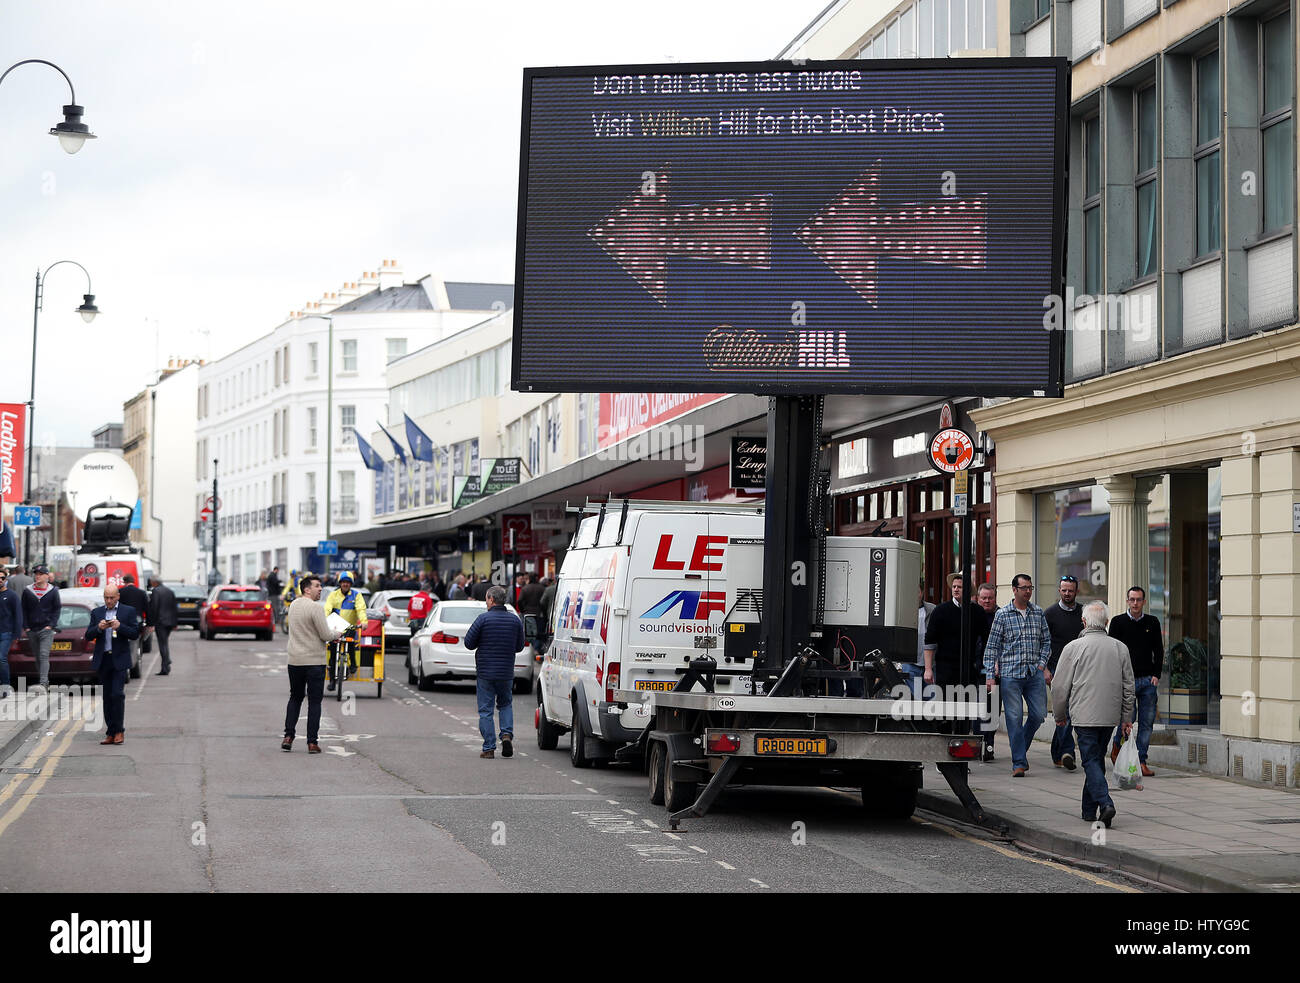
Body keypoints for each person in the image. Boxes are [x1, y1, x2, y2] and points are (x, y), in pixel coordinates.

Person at [1052, 601, 1135, 828]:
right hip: (1109, 716)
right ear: (1106, 623)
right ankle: (1089, 811)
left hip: (1083, 714)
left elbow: (1059, 687)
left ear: (1084, 622)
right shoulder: (1120, 648)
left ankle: (1105, 803)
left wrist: (1059, 715)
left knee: (1090, 760)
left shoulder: (1073, 648)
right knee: (1096, 759)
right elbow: (1129, 687)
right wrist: (1127, 718)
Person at [982, 573, 1051, 777]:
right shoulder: (1002, 614)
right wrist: (989, 675)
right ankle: (1018, 762)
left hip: (1033, 673)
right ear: (1014, 590)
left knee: (1039, 715)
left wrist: (1041, 665)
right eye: (1024, 588)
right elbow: (992, 646)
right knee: (1014, 717)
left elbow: (1046, 641)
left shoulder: (1037, 612)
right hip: (1010, 674)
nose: (1028, 591)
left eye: (1030, 587)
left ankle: (1019, 748)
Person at [283, 575, 344, 753]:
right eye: (317, 586)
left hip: (294, 660)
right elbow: (325, 635)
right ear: (307, 589)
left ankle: (288, 736)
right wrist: (337, 633)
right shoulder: (316, 608)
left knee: (295, 697)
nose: (320, 589)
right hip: (314, 662)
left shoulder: (293, 605)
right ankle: (312, 742)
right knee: (315, 702)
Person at [463, 585, 525, 759]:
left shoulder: (483, 619)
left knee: (486, 710)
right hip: (506, 671)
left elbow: (469, 643)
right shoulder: (515, 621)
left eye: (486, 599)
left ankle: (489, 748)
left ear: (491, 599)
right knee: (505, 704)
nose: (486, 602)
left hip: (485, 672)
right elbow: (519, 646)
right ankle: (506, 735)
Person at [1108, 586, 1163, 778]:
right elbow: (1112, 651)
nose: (1135, 603)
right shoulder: (1117, 622)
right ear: (1127, 601)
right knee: (1127, 721)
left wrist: (1157, 675)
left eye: (1139, 600)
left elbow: (1159, 650)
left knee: (1147, 723)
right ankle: (1118, 747)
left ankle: (1141, 760)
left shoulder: (1153, 622)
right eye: (1132, 599)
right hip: (1127, 681)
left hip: (1148, 680)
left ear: (1144, 602)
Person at [85, 584, 139, 745]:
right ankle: (110, 732)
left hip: (119, 660)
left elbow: (135, 634)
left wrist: (120, 626)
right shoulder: (97, 612)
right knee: (107, 697)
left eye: (111, 598)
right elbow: (88, 635)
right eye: (106, 598)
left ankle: (119, 731)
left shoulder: (128, 611)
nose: (108, 601)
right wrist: (98, 628)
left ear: (118, 597)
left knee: (117, 695)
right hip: (103, 660)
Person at [1044, 575, 1084, 771]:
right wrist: (1044, 669)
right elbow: (1042, 643)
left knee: (1067, 711)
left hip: (1078, 670)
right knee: (1065, 710)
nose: (1067, 593)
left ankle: (1057, 753)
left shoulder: (1084, 613)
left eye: (1071, 590)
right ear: (1059, 590)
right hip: (1056, 669)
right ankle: (1068, 751)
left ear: (1076, 591)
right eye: (1064, 590)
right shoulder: (1050, 614)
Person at [922, 573, 987, 690]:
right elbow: (929, 641)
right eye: (954, 586)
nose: (956, 589)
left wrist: (983, 665)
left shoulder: (978, 611)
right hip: (944, 669)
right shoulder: (940, 610)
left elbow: (986, 640)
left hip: (969, 669)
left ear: (967, 590)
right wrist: (928, 669)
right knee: (946, 705)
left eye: (960, 587)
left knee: (967, 705)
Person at [322, 574, 367, 690]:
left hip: (350, 628)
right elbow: (327, 608)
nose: (345, 584)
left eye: (348, 582)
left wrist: (363, 621)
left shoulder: (357, 595)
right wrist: (325, 620)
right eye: (343, 582)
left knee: (351, 644)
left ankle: (353, 664)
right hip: (335, 627)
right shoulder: (333, 595)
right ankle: (332, 681)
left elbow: (361, 609)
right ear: (340, 583)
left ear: (351, 584)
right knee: (332, 654)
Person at [21, 564, 61, 688]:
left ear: (46, 576)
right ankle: (43, 680)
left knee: (44, 655)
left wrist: (51, 625)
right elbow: (23, 609)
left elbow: (57, 609)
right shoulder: (28, 591)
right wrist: (26, 627)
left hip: (46, 629)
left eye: (40, 574)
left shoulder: (53, 591)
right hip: (32, 629)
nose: (37, 576)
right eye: (36, 574)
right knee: (37, 656)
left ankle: (43, 683)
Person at [974, 582, 999, 761]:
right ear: (978, 598)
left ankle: (989, 745)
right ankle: (978, 744)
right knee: (978, 710)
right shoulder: (972, 614)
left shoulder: (1001, 615)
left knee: (993, 710)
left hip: (997, 671)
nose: (987, 601)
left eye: (990, 598)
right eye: (984, 598)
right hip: (975, 670)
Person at [119, 575, 150, 677]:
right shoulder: (141, 593)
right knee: (136, 645)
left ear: (124, 582)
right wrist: (150, 624)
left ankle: (125, 667)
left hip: (123, 624)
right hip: (137, 623)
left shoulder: (120, 592)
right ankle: (133, 665)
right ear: (134, 581)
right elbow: (147, 609)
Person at [147, 577, 179, 675]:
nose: (151, 584)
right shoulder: (170, 591)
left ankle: (166, 663)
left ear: (154, 582)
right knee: (164, 643)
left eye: (151, 582)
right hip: (169, 622)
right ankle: (165, 666)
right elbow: (174, 607)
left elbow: (154, 608)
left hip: (161, 622)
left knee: (162, 644)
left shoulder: (156, 591)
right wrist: (175, 623)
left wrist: (151, 623)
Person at [911, 581, 936, 695]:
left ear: (922, 592)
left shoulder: (932, 609)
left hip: (931, 663)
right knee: (914, 698)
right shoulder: (903, 610)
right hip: (910, 662)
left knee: (931, 698)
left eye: (917, 591)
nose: (915, 595)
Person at [0, 569, 22, 690]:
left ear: (6, 580)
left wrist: (17, 635)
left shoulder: (12, 596)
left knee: (1, 658)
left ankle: (5, 685)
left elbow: (18, 615)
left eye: (2, 578)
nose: (0, 580)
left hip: (6, 633)